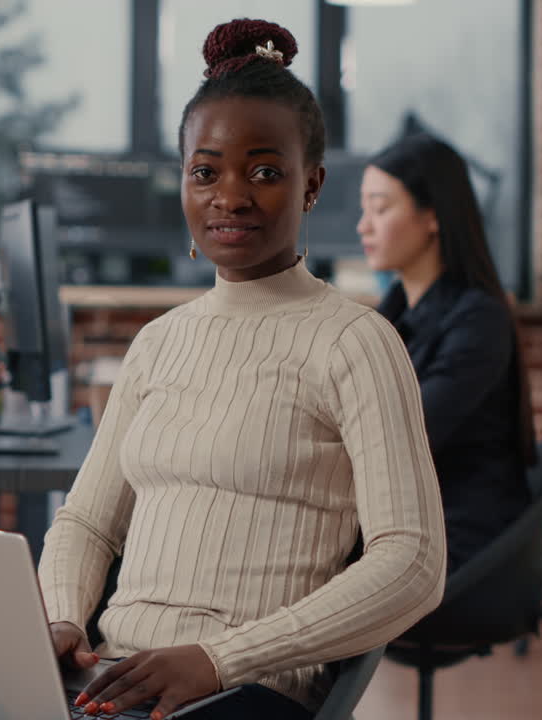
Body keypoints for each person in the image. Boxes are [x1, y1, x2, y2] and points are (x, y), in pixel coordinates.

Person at [38, 19, 446, 720]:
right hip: (114, 681)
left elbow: (412, 562)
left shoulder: (356, 342)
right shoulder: (159, 342)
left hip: (245, 692)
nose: (230, 196)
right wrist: (61, 620)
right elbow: (87, 523)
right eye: (206, 172)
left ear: (310, 185)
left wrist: (219, 658)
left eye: (264, 172)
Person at [359, 133, 535, 573]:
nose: (363, 227)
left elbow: (400, 435)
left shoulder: (478, 319)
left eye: (380, 209)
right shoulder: (393, 312)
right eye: (364, 210)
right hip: (400, 526)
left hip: (457, 540)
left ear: (433, 215)